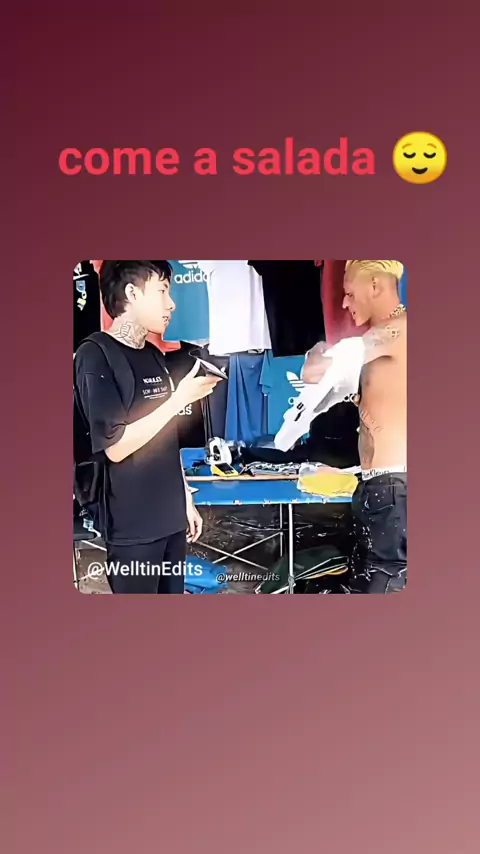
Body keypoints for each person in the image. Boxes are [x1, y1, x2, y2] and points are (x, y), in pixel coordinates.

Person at [75, 260, 221, 594]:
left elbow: (167, 439)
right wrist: (179, 398)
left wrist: (185, 499)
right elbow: (116, 446)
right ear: (132, 293)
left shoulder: (154, 355)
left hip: (171, 519)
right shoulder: (95, 355)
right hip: (132, 528)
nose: (171, 304)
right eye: (162, 291)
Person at [302, 260, 406, 593]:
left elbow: (314, 370)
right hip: (381, 487)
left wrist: (319, 348)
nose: (345, 304)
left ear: (375, 285)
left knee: (386, 587)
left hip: (393, 488)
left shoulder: (395, 331)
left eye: (349, 293)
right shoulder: (385, 340)